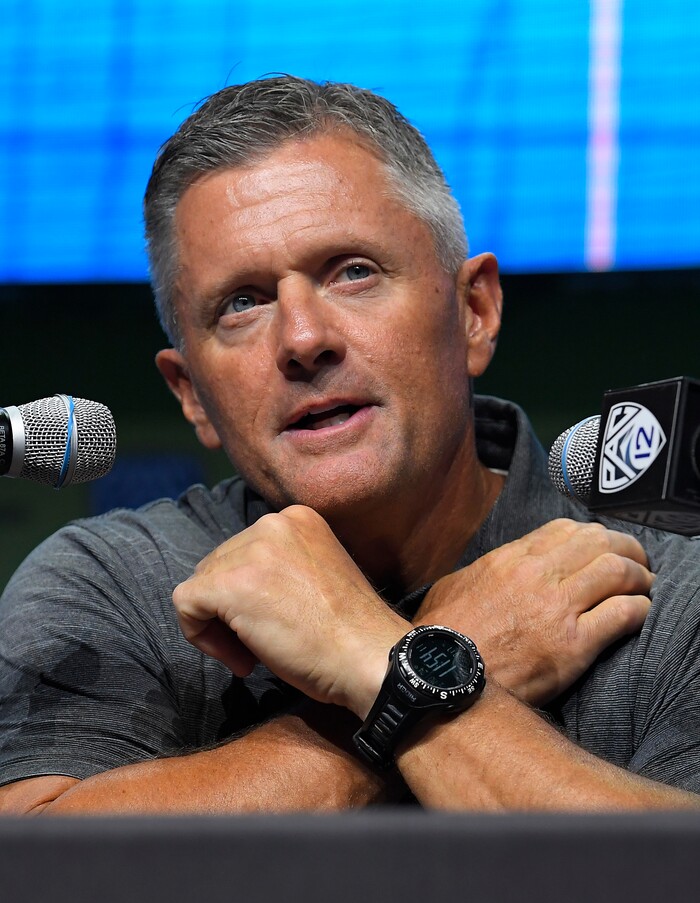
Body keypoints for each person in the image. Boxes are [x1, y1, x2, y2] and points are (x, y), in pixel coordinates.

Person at [1, 75, 699, 814]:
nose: (303, 339)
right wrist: (439, 655)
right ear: (191, 395)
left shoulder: (661, 581)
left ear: (474, 311)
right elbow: (36, 858)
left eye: (353, 272)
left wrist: (366, 657)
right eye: (242, 303)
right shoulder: (113, 583)